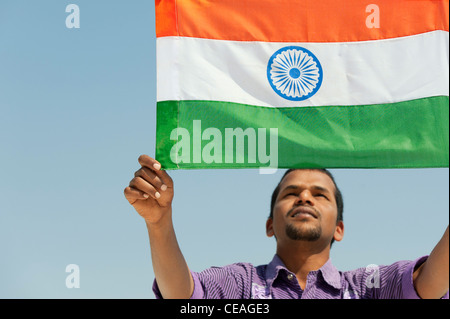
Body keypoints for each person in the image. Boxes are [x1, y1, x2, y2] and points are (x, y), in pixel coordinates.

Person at [124, 154, 449, 299]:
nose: (304, 197)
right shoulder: (239, 285)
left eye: (320, 195)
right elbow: (181, 296)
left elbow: (432, 282)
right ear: (269, 225)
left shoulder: (368, 288)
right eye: (291, 193)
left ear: (339, 228)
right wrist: (159, 222)